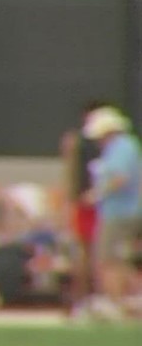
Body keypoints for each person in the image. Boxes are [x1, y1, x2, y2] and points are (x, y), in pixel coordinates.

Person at [82, 105, 141, 320]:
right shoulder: (121, 148)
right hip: (116, 212)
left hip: (119, 213)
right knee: (118, 259)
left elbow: (120, 178)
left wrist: (97, 193)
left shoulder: (122, 147)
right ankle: (130, 300)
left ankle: (116, 303)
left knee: (108, 260)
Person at [60, 100, 110, 318]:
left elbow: (71, 176)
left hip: (89, 202)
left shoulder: (81, 142)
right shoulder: (97, 144)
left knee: (89, 253)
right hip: (95, 204)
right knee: (90, 253)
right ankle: (87, 299)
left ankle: (85, 299)